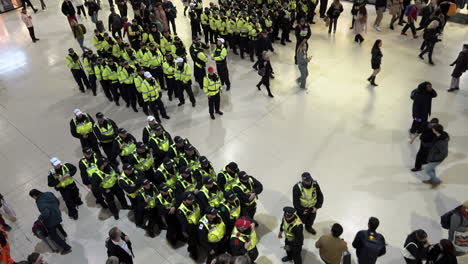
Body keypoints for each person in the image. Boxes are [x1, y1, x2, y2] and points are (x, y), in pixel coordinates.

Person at [29, 189, 72, 255]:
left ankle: (66, 248)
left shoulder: (40, 202)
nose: (33, 199)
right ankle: (64, 234)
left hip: (51, 220)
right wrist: (55, 209)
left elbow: (46, 213)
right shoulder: (49, 193)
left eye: (32, 197)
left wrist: (41, 217)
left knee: (53, 235)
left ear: (34, 196)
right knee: (58, 224)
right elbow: (57, 201)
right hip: (57, 213)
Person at [176, 192, 201, 260]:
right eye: (189, 200)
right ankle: (193, 253)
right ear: (184, 200)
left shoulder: (194, 202)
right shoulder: (180, 211)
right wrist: (185, 232)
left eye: (192, 199)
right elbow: (184, 223)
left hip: (198, 223)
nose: (192, 200)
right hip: (190, 228)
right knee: (192, 242)